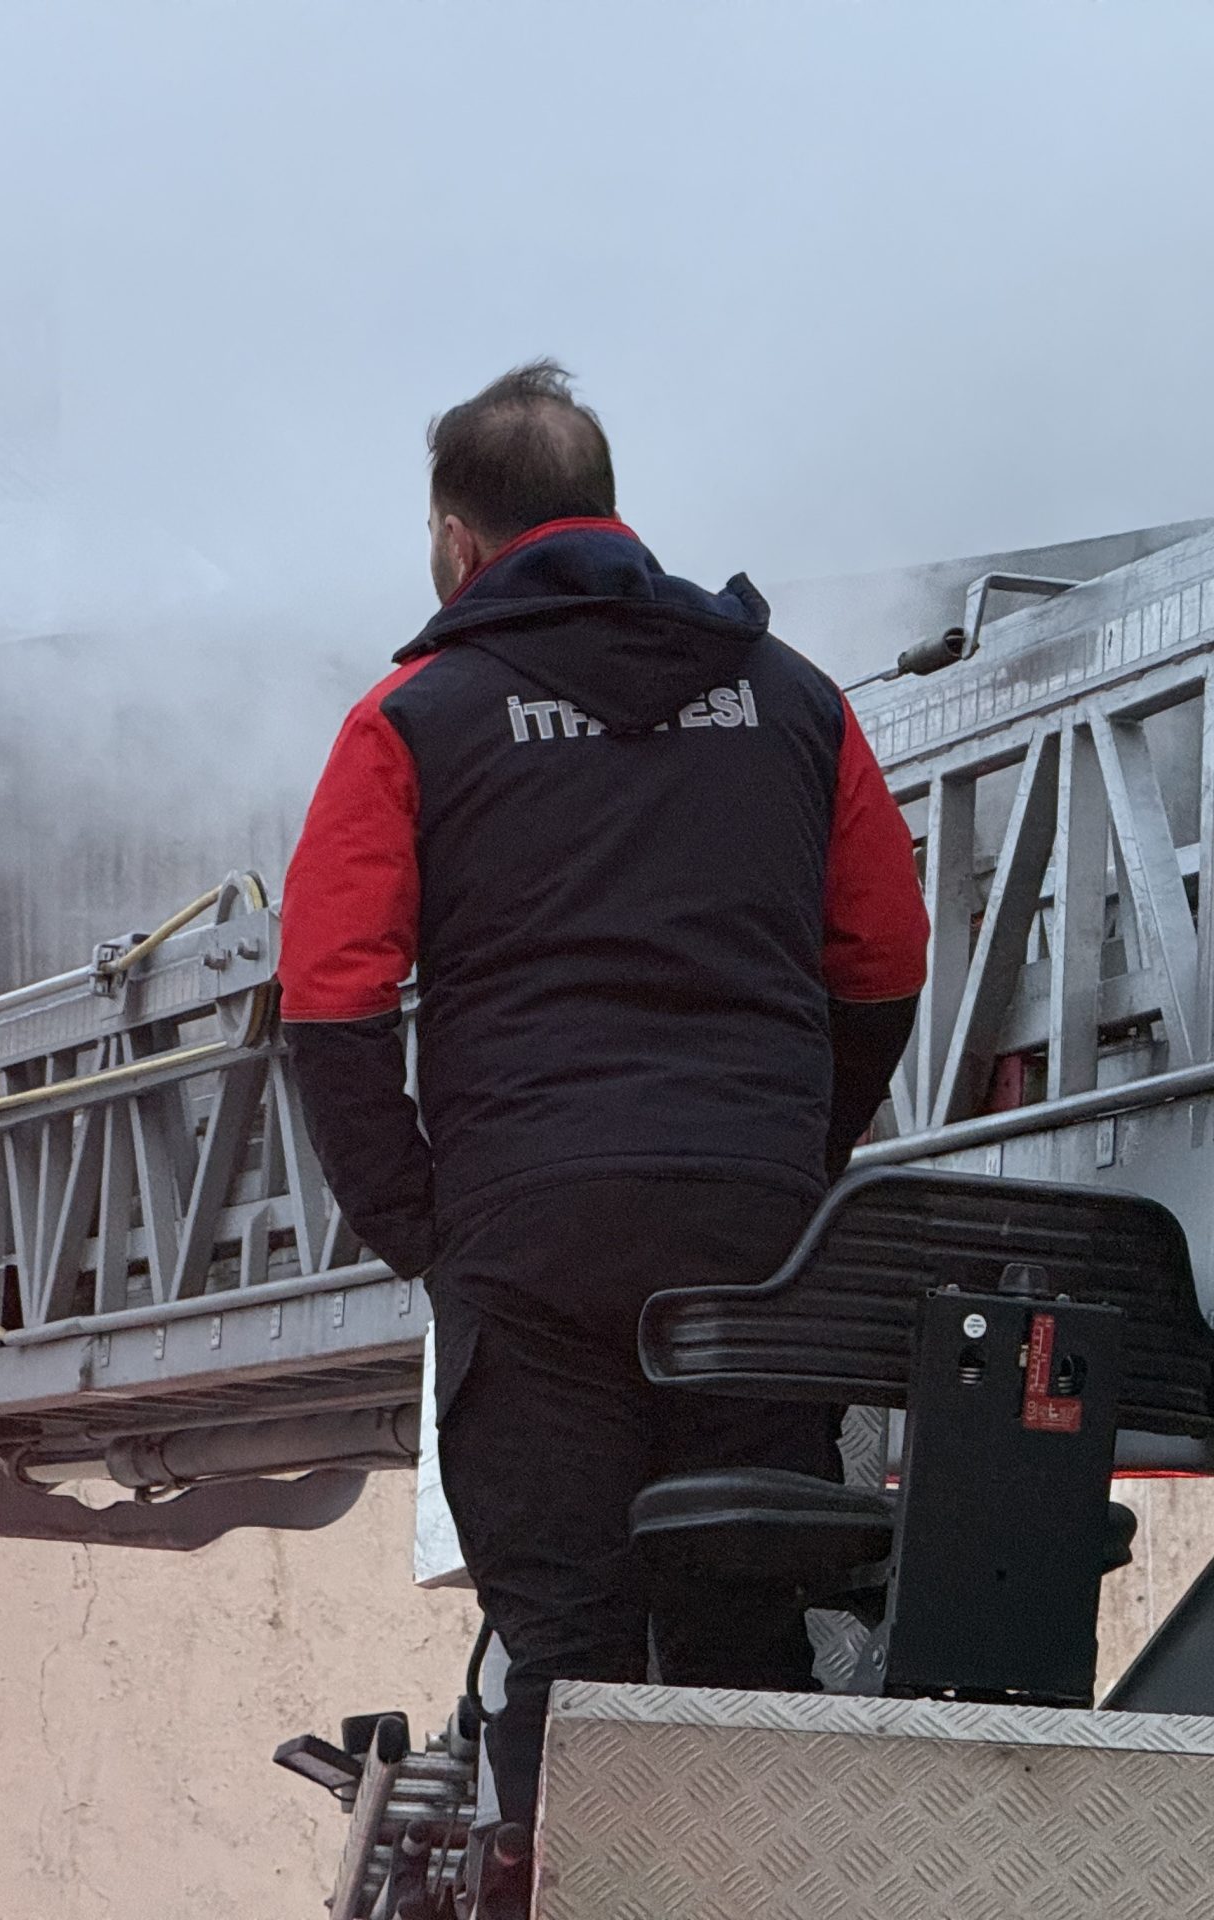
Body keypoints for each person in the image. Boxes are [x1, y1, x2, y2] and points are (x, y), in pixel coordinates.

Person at [277, 361, 928, 1908]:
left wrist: (426, 1229)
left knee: (564, 1646)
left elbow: (332, 998)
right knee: (742, 1630)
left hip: (533, 1237)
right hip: (761, 1247)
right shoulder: (795, 699)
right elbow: (887, 959)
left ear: (454, 542)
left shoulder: (409, 720)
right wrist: (794, 1157)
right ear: (610, 508)